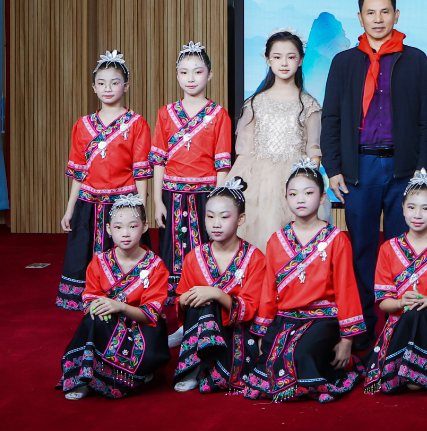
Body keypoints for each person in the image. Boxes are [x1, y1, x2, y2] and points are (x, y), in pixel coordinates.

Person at [321, 0, 427, 341]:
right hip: (360, 168)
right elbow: (331, 118)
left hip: (404, 170)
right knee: (363, 251)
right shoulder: (344, 63)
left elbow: (425, 120)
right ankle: (364, 331)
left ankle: (403, 331)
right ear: (360, 18)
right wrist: (334, 169)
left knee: (403, 249)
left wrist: (423, 170)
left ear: (396, 15)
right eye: (371, 12)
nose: (378, 19)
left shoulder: (415, 60)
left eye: (385, 12)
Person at [244, 160, 365, 403]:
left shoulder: (336, 239)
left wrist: (347, 340)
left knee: (301, 354)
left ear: (322, 197)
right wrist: (261, 332)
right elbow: (269, 290)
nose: (300, 199)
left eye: (309, 193)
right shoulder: (276, 240)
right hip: (285, 319)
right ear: (286, 198)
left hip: (323, 318)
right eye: (293, 194)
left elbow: (346, 289)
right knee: (269, 358)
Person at [58, 51, 151, 311]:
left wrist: (140, 209)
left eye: (114, 82)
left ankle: (124, 298)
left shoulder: (136, 123)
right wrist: (70, 208)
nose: (107, 88)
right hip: (88, 203)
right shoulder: (83, 124)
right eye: (101, 83)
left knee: (125, 251)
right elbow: (79, 172)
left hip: (123, 204)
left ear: (126, 86)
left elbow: (141, 171)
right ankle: (88, 298)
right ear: (94, 88)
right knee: (83, 252)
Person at [363, 170, 427, 394]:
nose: (417, 215)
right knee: (411, 313)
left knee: (421, 312)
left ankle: (409, 371)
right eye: (411, 207)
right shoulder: (388, 248)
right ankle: (415, 372)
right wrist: (401, 303)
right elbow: (384, 302)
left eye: (426, 208)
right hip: (400, 323)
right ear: (402, 208)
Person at [60, 194, 169, 400]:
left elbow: (151, 313)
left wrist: (121, 306)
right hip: (109, 324)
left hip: (142, 327)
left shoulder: (156, 266)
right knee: (93, 319)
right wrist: (100, 307)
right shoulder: (99, 262)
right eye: (118, 227)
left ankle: (137, 371)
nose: (125, 233)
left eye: (133, 226)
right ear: (109, 230)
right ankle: (84, 378)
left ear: (145, 227)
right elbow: (90, 299)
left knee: (146, 351)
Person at [151, 42, 232, 306]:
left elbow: (222, 164)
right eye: (184, 72)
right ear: (177, 75)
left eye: (198, 71)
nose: (191, 78)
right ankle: (175, 301)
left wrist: (218, 200)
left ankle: (204, 298)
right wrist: (157, 200)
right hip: (172, 194)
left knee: (206, 246)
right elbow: (159, 160)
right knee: (171, 248)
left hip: (206, 194)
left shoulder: (219, 115)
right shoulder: (165, 113)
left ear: (210, 75)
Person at [231, 28, 326, 251]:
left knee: (295, 247)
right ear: (268, 60)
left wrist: (307, 187)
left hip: (295, 183)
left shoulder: (310, 105)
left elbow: (314, 151)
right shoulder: (254, 103)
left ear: (301, 60)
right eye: (277, 57)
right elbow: (244, 153)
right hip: (258, 185)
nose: (284, 63)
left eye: (291, 57)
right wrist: (229, 185)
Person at [173, 178, 267, 393]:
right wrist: (187, 299)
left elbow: (251, 308)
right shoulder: (194, 257)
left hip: (236, 331)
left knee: (210, 301)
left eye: (224, 217)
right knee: (201, 303)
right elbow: (181, 301)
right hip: (199, 327)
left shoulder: (255, 258)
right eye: (210, 216)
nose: (216, 223)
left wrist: (216, 294)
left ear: (240, 219)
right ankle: (194, 367)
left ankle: (206, 369)